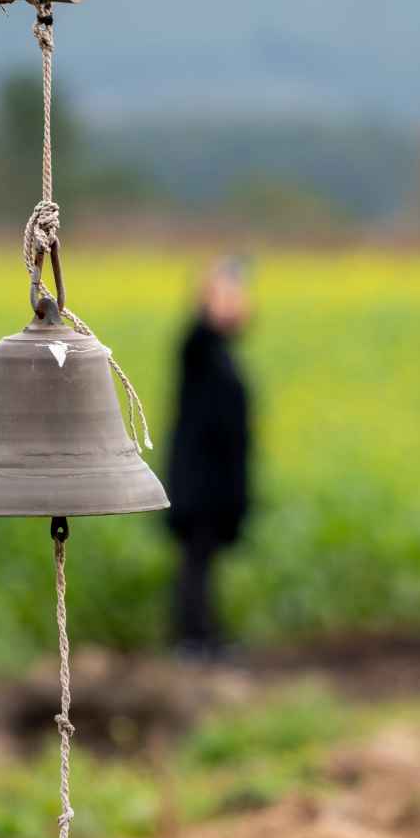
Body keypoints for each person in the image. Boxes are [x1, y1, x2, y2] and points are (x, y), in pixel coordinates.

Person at [166, 259, 253, 659]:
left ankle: (205, 636)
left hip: (215, 485)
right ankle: (193, 640)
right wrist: (214, 287)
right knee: (195, 563)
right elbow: (199, 333)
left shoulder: (222, 354)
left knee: (203, 563)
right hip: (197, 483)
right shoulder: (198, 349)